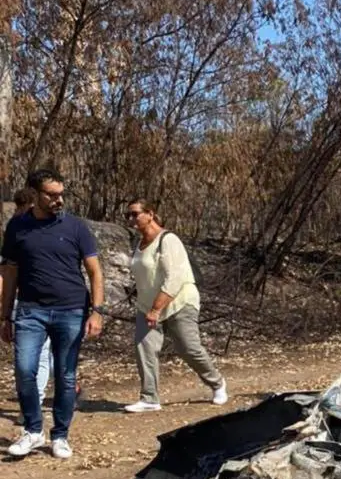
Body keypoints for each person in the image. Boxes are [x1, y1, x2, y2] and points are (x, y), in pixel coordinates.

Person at [0, 167, 104, 459]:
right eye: (52, 195)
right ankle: (33, 430)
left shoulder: (76, 227)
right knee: (24, 370)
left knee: (66, 375)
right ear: (34, 194)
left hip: (71, 309)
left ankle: (60, 435)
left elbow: (95, 272)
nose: (59, 200)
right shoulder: (17, 227)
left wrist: (96, 311)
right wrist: (5, 315)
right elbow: (10, 272)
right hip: (30, 311)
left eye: (61, 194)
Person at [122, 199, 227, 413]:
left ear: (150, 214)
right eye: (128, 215)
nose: (131, 219)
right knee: (145, 348)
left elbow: (175, 278)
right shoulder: (138, 244)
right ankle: (149, 397)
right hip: (147, 305)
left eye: (135, 214)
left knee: (188, 348)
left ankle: (217, 383)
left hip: (179, 302)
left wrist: (156, 309)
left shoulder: (168, 240)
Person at [8, 189, 52, 405]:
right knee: (34, 354)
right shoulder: (16, 228)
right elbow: (8, 267)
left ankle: (36, 399)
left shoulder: (49, 226)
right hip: (23, 300)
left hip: (41, 301)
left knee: (40, 354)